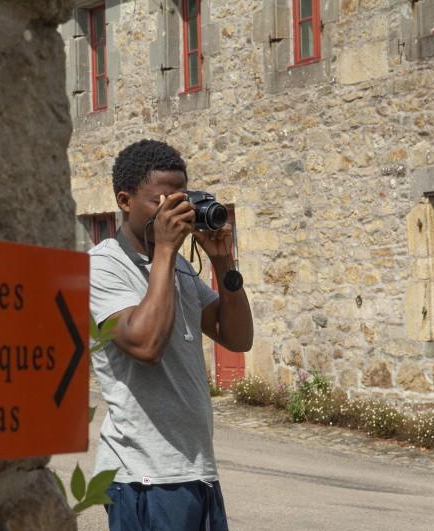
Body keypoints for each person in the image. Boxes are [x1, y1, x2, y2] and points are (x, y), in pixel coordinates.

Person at [89, 139, 254, 530]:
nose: (174, 212)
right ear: (125, 200)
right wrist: (164, 250)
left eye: (181, 200)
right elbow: (146, 345)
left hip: (196, 471)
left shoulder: (178, 267)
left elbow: (237, 337)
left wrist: (221, 260)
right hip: (143, 478)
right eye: (161, 201)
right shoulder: (101, 267)